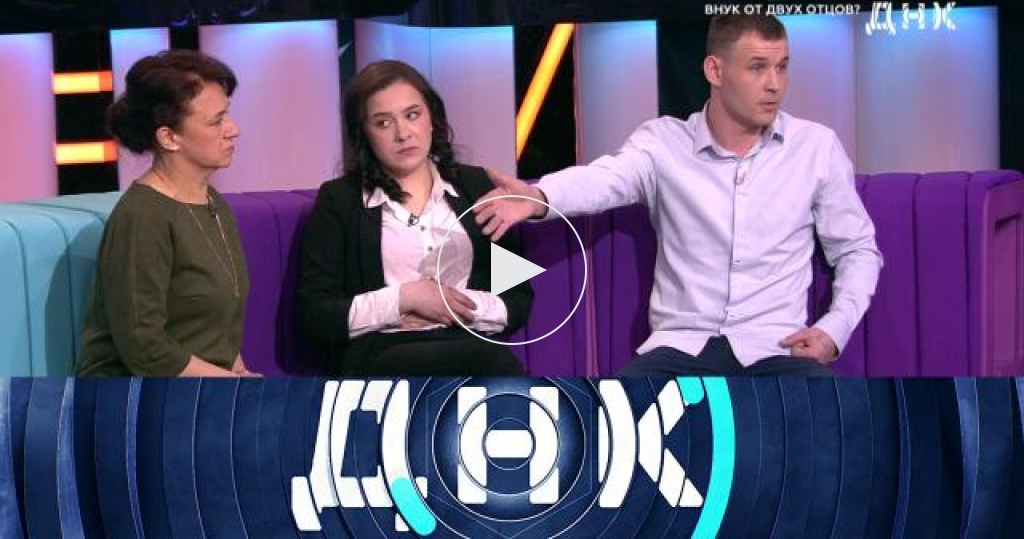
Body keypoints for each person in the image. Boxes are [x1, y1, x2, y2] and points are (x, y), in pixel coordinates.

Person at [474, 14, 883, 376]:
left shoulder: (816, 147)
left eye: (782, 67)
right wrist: (539, 196)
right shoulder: (663, 143)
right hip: (680, 348)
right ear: (715, 70)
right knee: (615, 414)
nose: (774, 84)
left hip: (777, 349)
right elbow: (605, 179)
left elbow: (858, 250)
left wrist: (834, 329)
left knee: (838, 419)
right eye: (757, 67)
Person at [297, 60, 531, 376]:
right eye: (383, 123)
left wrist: (453, 306)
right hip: (382, 353)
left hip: (469, 341)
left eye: (412, 115)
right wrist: (404, 299)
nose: (403, 133)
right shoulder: (340, 200)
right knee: (491, 363)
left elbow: (518, 299)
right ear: (363, 133)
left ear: (432, 118)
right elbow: (316, 316)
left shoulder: (476, 186)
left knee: (489, 360)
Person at [77, 50, 257, 377]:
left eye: (227, 115)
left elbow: (217, 331)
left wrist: (240, 375)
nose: (234, 129)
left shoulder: (215, 205)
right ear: (170, 137)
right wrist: (230, 385)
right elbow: (145, 348)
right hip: (136, 395)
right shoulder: (143, 217)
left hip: (204, 389)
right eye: (216, 121)